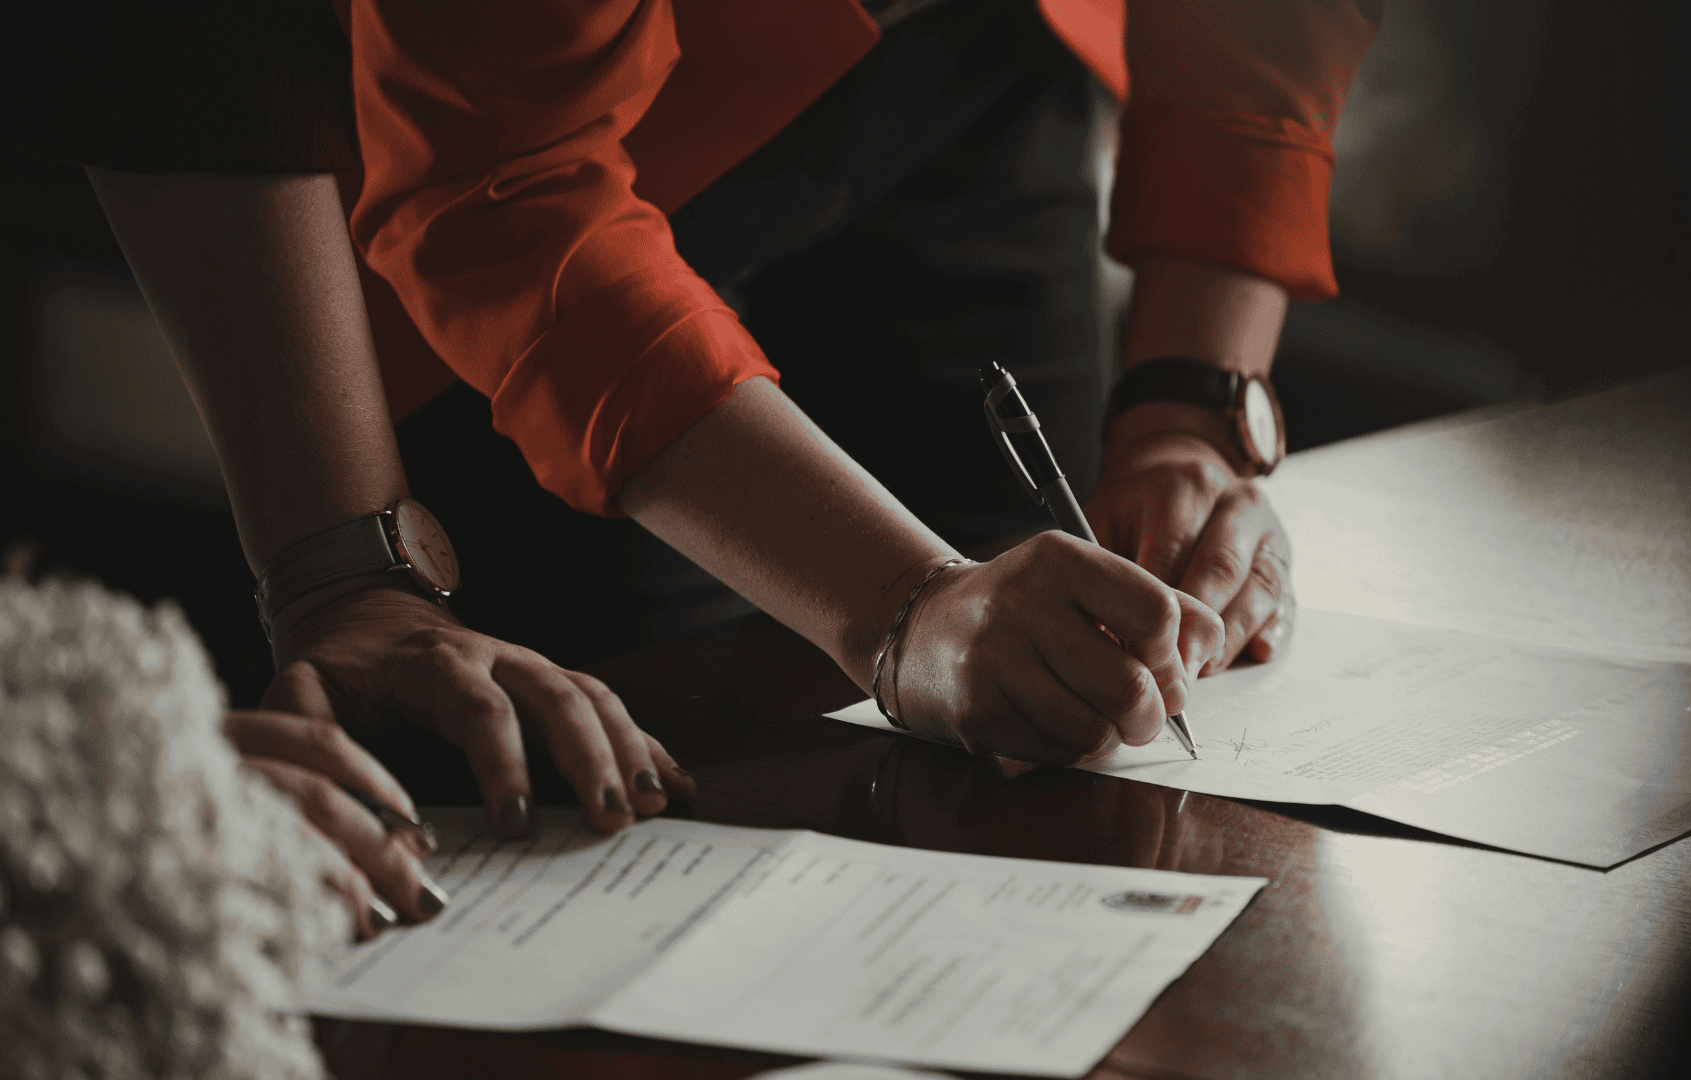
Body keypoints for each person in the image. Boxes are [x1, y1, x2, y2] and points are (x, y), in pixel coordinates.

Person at [10, 0, 1378, 855]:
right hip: (542, 143)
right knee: (632, 803)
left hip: (990, 54)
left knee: (1044, 752)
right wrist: (903, 608)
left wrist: (1190, 406)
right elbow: (511, 193)